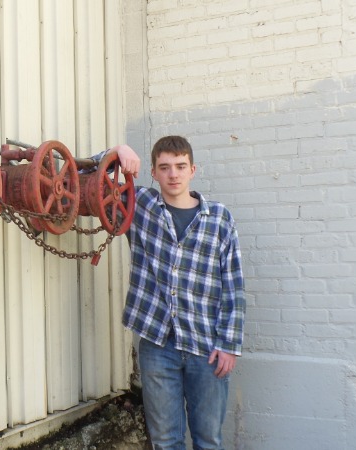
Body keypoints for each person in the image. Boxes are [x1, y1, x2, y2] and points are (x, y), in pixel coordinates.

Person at [100, 136, 245, 449]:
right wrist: (115, 153)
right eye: (164, 168)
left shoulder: (219, 218)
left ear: (193, 169)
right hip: (157, 344)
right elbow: (94, 183)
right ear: (153, 172)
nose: (173, 174)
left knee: (208, 439)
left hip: (207, 347)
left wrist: (230, 344)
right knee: (165, 441)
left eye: (180, 166)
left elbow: (233, 285)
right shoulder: (140, 207)